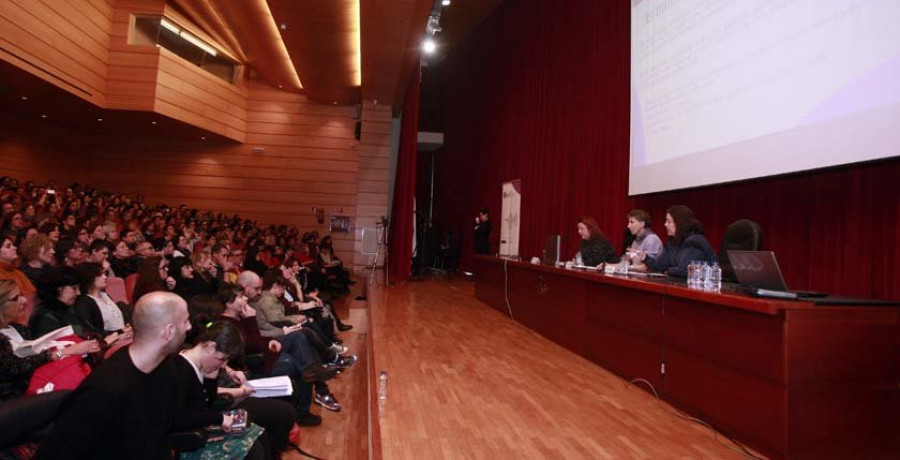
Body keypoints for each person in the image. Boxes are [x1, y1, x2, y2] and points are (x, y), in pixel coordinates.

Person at [34, 292, 192, 460]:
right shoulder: (104, 391)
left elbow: (160, 432)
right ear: (169, 331)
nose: (189, 327)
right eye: (185, 321)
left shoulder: (167, 367)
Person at [0, 280, 100, 401]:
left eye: (21, 295)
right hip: (15, 396)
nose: (24, 300)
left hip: (38, 384)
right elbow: (16, 368)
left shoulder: (19, 329)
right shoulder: (45, 316)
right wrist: (63, 352)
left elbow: (35, 355)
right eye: (16, 298)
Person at [634, 205, 717, 278]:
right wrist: (645, 257)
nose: (665, 224)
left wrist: (668, 271)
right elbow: (661, 266)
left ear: (680, 223)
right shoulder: (672, 242)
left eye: (669, 221)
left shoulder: (694, 241)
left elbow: (684, 270)